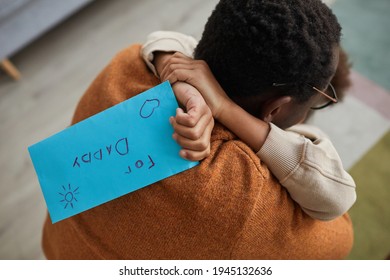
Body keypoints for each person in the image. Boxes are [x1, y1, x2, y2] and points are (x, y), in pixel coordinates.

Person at [42, 0, 354, 259]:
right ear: (275, 109)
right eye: (317, 103)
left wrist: (181, 78)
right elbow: (340, 234)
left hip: (58, 247)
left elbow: (162, 42)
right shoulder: (247, 192)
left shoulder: (125, 67)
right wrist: (224, 109)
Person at [140, 31, 357, 221]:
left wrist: (193, 90)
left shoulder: (203, 71)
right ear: (274, 109)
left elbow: (161, 39)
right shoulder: (300, 143)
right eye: (312, 107)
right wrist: (217, 105)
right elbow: (339, 196)